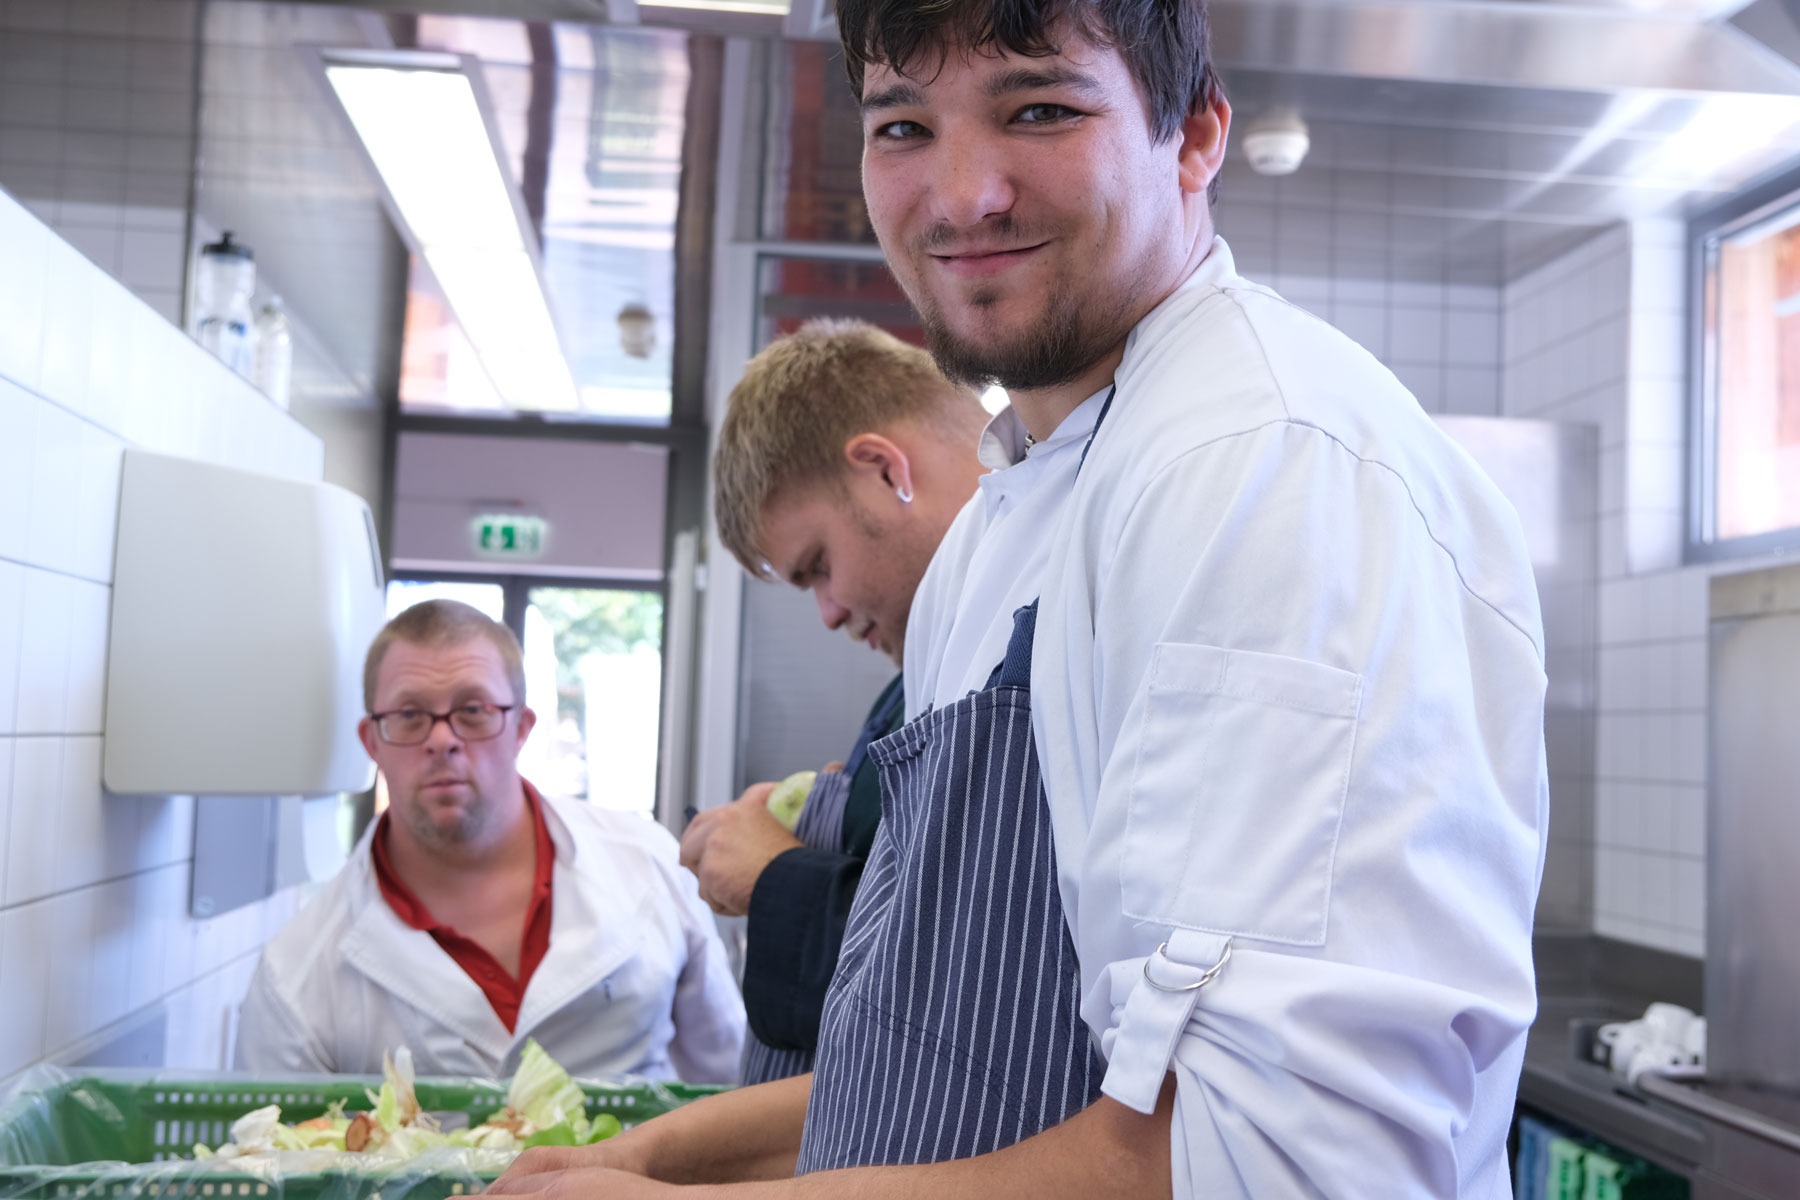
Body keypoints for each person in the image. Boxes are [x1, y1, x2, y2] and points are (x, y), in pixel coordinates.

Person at [492, 0, 1547, 1194]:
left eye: (1038, 108)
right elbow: (950, 1074)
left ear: (1194, 137)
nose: (960, 195)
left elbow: (1267, 1162)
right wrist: (658, 1154)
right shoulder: (1011, 511)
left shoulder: (1260, 469)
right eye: (902, 126)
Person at [236, 599, 745, 1082]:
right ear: (372, 742)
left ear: (520, 728)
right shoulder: (296, 974)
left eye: (472, 710)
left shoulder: (648, 864)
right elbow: (273, 1163)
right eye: (410, 715)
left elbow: (732, 1083)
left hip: (644, 1174)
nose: (442, 739)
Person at [678, 318, 990, 1085]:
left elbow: (984, 988)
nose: (829, 612)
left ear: (884, 470)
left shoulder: (1046, 629)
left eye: (818, 566)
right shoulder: (923, 676)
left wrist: (774, 876)